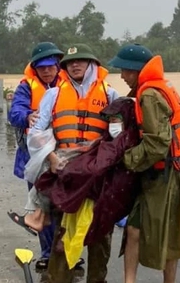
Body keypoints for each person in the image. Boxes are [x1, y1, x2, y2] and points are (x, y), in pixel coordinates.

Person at [103, 43, 180, 283]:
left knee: (168, 233)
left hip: (169, 175)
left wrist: (124, 159)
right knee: (133, 229)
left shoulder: (151, 95)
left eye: (124, 70)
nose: (121, 75)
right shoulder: (155, 88)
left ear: (137, 71)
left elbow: (157, 143)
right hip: (157, 173)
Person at [31, 44, 119, 283]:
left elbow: (118, 134)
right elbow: (36, 133)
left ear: (92, 64)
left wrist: (104, 156)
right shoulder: (54, 95)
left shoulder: (111, 94)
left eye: (81, 61)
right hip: (65, 169)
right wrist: (52, 158)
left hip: (98, 171)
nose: (75, 66)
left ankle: (98, 282)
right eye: (70, 63)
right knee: (63, 228)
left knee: (100, 227)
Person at [35, 96, 141, 264]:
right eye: (110, 120)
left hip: (107, 198)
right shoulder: (106, 139)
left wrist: (72, 172)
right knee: (68, 228)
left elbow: (98, 166)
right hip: (86, 190)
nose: (112, 124)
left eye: (116, 120)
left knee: (98, 238)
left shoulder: (127, 140)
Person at [7, 42, 71, 270]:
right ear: (34, 68)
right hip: (35, 157)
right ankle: (47, 253)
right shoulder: (26, 87)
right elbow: (14, 113)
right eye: (41, 67)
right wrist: (27, 116)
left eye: (50, 66)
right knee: (40, 203)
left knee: (63, 205)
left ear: (57, 66)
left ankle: (65, 251)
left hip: (63, 154)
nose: (46, 71)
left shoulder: (69, 84)